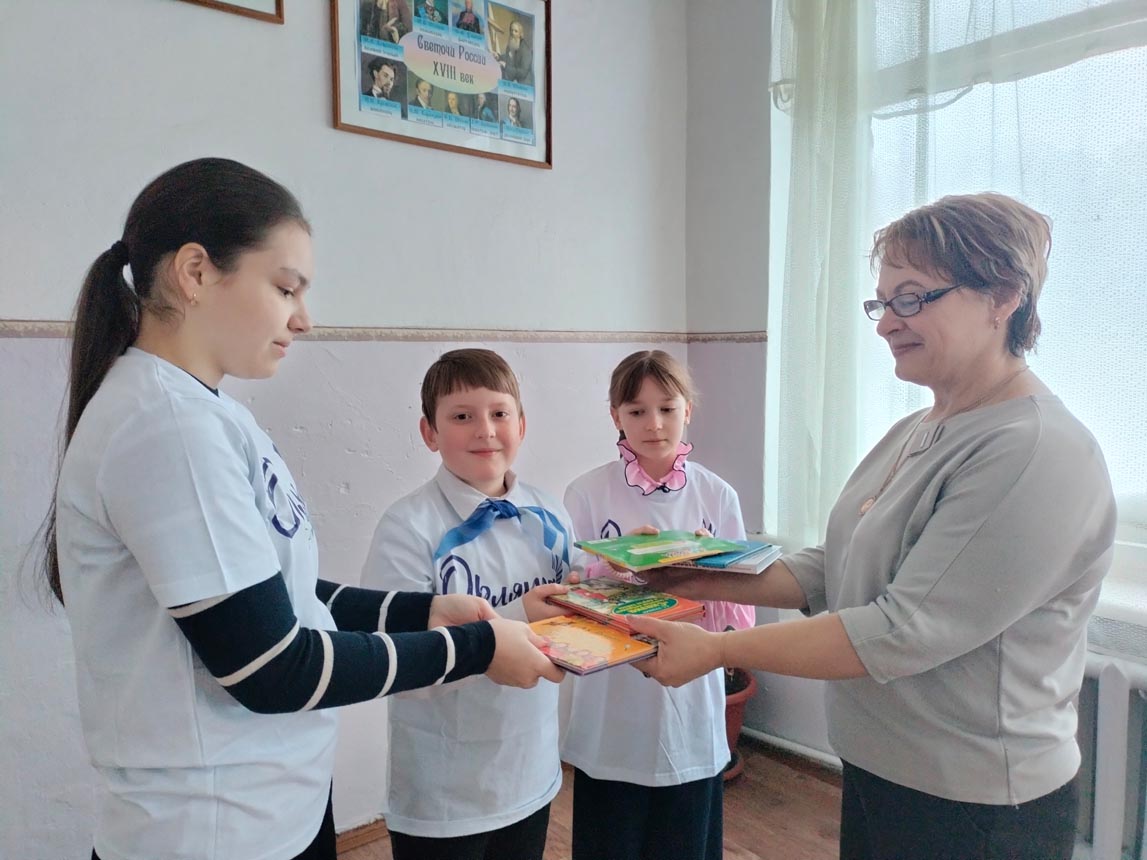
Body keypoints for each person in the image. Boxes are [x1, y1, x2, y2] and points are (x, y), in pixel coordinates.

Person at [43, 158, 562, 860]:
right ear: (195, 272)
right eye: (285, 288)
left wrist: (419, 612)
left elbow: (274, 595)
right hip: (215, 832)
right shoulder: (167, 428)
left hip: (272, 806)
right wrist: (475, 650)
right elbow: (271, 666)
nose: (303, 318)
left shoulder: (207, 413)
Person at [632, 193, 1117, 860]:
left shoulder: (1035, 451)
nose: (887, 323)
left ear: (1003, 295)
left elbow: (899, 632)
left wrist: (715, 650)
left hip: (974, 804)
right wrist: (690, 572)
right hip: (882, 768)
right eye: (882, 302)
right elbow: (831, 565)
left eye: (912, 298)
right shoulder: (918, 428)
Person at [362, 348, 579, 860]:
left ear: (521, 425)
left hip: (531, 768)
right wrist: (519, 616)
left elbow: (575, 606)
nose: (485, 430)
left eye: (499, 413)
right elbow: (396, 660)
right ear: (429, 433)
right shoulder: (407, 527)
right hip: (444, 789)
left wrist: (622, 574)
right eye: (462, 416)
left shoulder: (550, 512)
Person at [560, 350, 754, 860]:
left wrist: (707, 572)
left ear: (688, 409)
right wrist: (615, 567)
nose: (654, 424)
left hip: (691, 697)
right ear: (615, 416)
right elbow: (566, 597)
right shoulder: (585, 493)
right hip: (612, 698)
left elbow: (739, 612)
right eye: (637, 410)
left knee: (685, 838)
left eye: (667, 408)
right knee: (610, 837)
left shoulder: (717, 495)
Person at [496, 18, 533, 85]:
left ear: (520, 34)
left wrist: (506, 66)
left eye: (516, 31)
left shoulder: (525, 50)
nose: (513, 33)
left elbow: (523, 73)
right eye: (511, 30)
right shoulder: (511, 44)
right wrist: (498, 56)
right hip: (512, 82)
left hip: (523, 85)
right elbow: (509, 57)